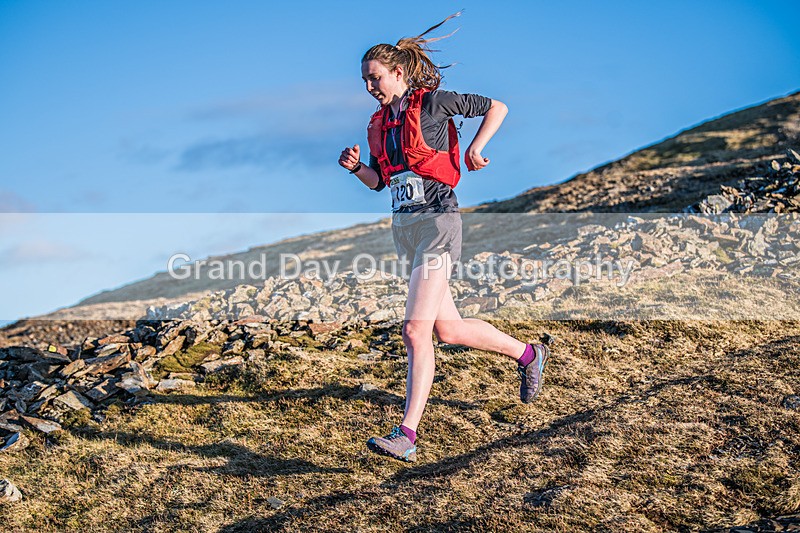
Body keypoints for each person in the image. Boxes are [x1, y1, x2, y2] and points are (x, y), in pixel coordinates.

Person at [337, 12, 549, 463]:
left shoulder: (433, 104)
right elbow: (381, 182)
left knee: (416, 330)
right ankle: (528, 354)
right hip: (405, 228)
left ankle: (407, 434)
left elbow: (497, 107)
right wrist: (356, 168)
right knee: (448, 330)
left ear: (398, 72)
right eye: (364, 81)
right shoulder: (379, 125)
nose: (370, 87)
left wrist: (476, 148)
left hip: (437, 222)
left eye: (375, 78)